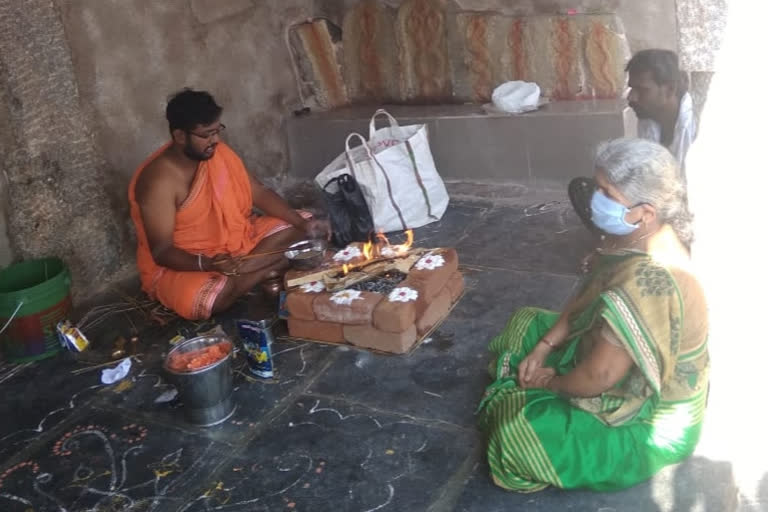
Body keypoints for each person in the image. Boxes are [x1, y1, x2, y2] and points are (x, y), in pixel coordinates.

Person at [478, 138, 709, 492]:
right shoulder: (634, 235)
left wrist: (549, 382)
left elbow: (600, 375)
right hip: (608, 351)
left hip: (653, 417)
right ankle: (526, 383)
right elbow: (590, 292)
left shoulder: (648, 280)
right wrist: (544, 346)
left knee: (515, 433)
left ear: (645, 212)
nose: (595, 201)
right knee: (525, 321)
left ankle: (523, 393)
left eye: (606, 193)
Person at [128, 89, 329, 320]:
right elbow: (162, 251)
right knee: (203, 301)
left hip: (238, 245)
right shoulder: (158, 181)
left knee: (303, 225)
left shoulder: (218, 153)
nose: (216, 140)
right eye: (206, 134)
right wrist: (208, 264)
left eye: (217, 131)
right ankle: (263, 270)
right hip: (192, 263)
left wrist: (303, 225)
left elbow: (259, 193)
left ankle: (243, 275)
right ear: (180, 136)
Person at [570, 49, 695, 235]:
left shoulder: (699, 126)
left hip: (692, 213)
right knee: (585, 191)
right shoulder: (648, 118)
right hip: (660, 206)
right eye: (631, 88)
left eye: (642, 90)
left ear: (670, 89)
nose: (631, 98)